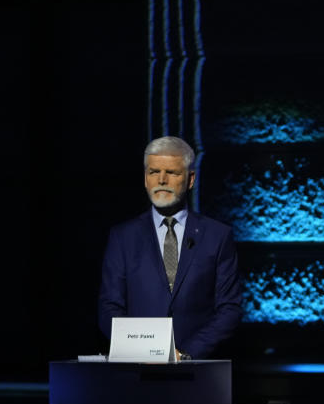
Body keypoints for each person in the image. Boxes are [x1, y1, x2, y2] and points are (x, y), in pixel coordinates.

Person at [99, 136, 242, 359]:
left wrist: (185, 354)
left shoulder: (218, 236)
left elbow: (229, 309)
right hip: (138, 369)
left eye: (172, 173)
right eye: (154, 172)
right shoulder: (122, 237)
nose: (162, 180)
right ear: (145, 179)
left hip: (198, 372)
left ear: (190, 179)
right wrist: (145, 351)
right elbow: (109, 307)